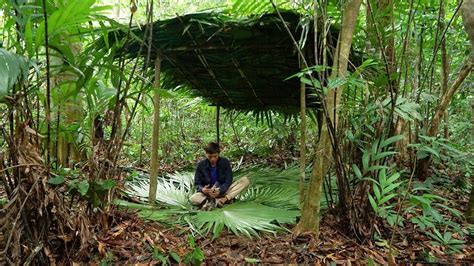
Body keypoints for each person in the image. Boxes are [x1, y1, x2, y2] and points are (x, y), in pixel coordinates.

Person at [190, 142, 249, 209]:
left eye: (215, 156)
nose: (213, 159)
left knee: (245, 180)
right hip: (208, 194)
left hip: (223, 191)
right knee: (193, 198)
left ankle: (223, 199)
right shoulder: (201, 165)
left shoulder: (225, 162)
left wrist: (220, 190)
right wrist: (203, 189)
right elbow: (197, 183)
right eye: (210, 157)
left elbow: (228, 180)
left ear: (218, 154)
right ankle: (217, 201)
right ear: (206, 154)